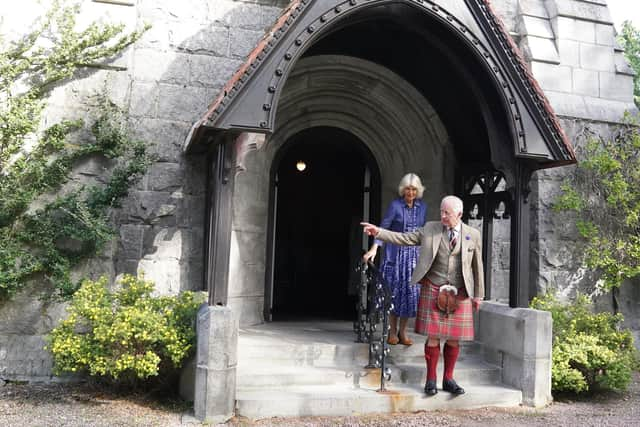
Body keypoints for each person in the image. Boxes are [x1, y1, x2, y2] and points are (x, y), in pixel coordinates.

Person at [361, 195, 484, 397]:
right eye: (441, 212)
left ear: (459, 215)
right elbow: (405, 238)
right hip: (434, 288)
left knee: (454, 339)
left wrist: (478, 294)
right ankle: (431, 380)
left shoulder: (473, 235)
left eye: (447, 213)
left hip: (460, 292)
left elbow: (477, 266)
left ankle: (449, 379)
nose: (443, 216)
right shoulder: (430, 229)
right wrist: (380, 233)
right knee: (433, 338)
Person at [362, 173, 426, 346]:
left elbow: (423, 232)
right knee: (394, 294)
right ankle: (391, 330)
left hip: (413, 257)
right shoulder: (395, 206)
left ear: (418, 190)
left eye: (413, 189)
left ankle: (403, 332)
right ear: (402, 190)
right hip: (395, 255)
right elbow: (383, 228)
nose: (410, 192)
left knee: (409, 295)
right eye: (407, 189)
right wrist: (374, 248)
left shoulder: (422, 207)